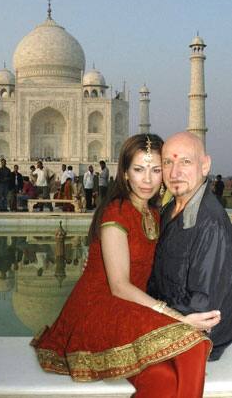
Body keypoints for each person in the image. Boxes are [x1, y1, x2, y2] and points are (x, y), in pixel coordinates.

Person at [31, 134, 218, 397]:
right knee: (191, 348)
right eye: (139, 169)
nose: (148, 179)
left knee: (173, 369)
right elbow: (118, 285)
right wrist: (177, 318)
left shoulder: (154, 213)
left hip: (131, 307)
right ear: (126, 173)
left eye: (155, 170)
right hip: (100, 308)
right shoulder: (117, 212)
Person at [148, 132, 232, 362]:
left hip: (200, 339)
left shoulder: (209, 223)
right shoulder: (169, 211)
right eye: (168, 163)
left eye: (185, 162)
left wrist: (151, 312)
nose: (174, 173)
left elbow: (203, 306)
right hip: (172, 319)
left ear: (205, 166)